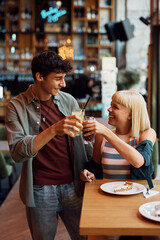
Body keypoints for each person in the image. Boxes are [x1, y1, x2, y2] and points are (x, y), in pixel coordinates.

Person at [5, 51, 90, 240]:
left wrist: (91, 137)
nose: (64, 84)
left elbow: (82, 143)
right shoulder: (16, 107)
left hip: (74, 186)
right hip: (40, 190)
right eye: (58, 78)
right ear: (39, 77)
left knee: (84, 237)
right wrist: (54, 129)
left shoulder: (69, 101)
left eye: (64, 78)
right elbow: (18, 152)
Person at [81, 90, 156, 184]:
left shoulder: (147, 133)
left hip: (138, 196)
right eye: (111, 105)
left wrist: (105, 131)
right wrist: (89, 174)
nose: (109, 109)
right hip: (107, 195)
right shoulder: (101, 137)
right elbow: (96, 167)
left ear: (131, 114)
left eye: (115, 107)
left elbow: (138, 161)